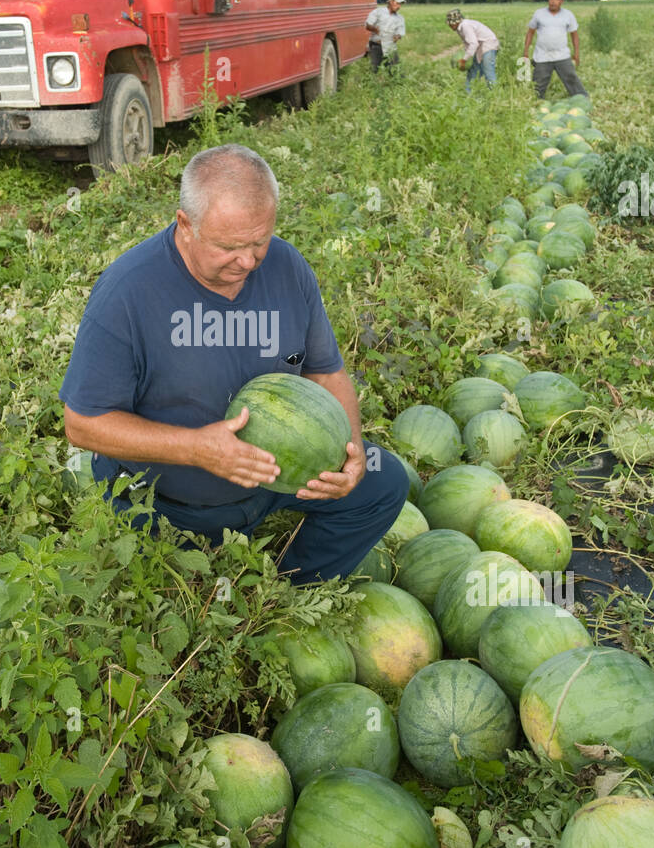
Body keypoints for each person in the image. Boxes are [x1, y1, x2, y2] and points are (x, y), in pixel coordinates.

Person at [59, 144, 409, 586]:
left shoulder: (287, 267)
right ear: (186, 225)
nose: (248, 261)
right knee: (177, 601)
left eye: (258, 242)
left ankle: (292, 588)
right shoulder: (127, 293)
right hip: (166, 501)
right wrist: (197, 449)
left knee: (385, 483)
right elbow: (82, 424)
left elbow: (325, 371)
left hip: (273, 483)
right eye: (229, 247)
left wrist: (351, 455)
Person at [524, 0, 588, 98]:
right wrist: (525, 51)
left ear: (561, 1)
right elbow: (530, 33)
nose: (553, 2)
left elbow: (574, 35)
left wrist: (576, 53)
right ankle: (535, 101)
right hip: (542, 55)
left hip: (562, 55)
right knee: (537, 85)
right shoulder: (539, 14)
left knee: (571, 78)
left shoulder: (568, 15)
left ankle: (582, 99)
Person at [446, 9, 500, 91]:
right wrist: (465, 58)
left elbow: (473, 43)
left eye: (451, 24)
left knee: (488, 70)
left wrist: (464, 60)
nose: (450, 26)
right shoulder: (459, 28)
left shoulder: (465, 26)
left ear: (455, 22)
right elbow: (468, 44)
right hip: (479, 47)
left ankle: (495, 94)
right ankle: (468, 94)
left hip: (488, 45)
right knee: (472, 72)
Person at [365, 0, 406, 73]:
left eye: (400, 4)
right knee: (372, 71)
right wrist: (375, 29)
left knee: (396, 72)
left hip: (390, 47)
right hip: (376, 46)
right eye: (397, 3)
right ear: (391, 2)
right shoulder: (378, 12)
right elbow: (368, 25)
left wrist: (397, 37)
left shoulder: (400, 18)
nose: (399, 6)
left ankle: (396, 84)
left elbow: (400, 33)